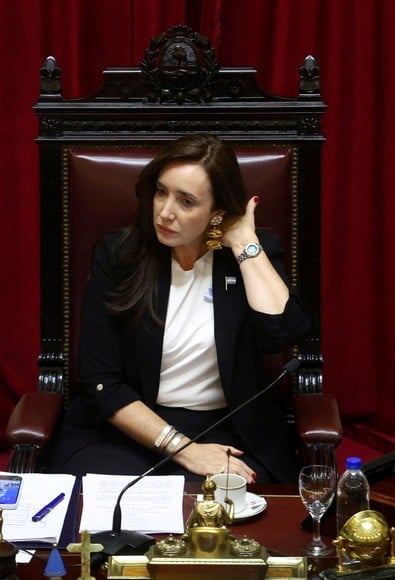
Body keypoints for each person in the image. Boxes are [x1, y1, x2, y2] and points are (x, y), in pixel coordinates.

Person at [48, 134, 310, 484]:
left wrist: (244, 242)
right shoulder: (119, 255)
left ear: (217, 212)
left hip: (227, 429)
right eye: (161, 192)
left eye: (186, 201)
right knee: (123, 511)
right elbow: (101, 379)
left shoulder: (245, 257)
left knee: (232, 514)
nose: (165, 212)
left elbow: (283, 333)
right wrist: (186, 450)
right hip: (131, 429)